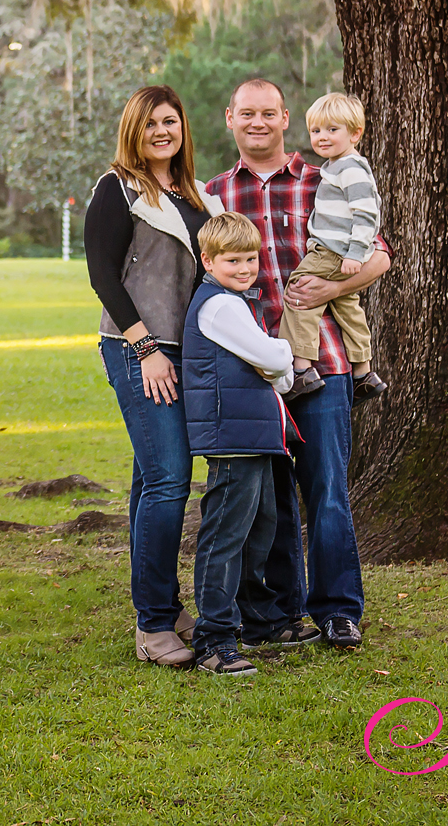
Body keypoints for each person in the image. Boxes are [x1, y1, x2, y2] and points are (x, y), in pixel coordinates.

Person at [206, 78, 391, 650]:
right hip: (247, 370)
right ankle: (277, 612)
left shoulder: (326, 176)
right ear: (230, 118)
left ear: (286, 118)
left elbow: (379, 254)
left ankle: (338, 610)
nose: (257, 122)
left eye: (269, 113)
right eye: (247, 113)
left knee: (327, 489)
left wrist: (323, 288)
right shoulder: (211, 196)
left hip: (323, 361)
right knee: (268, 497)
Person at [84, 85, 222, 668]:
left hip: (188, 352)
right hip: (139, 347)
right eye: (150, 124)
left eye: (171, 121)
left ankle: (163, 601)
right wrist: (146, 349)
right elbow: (102, 275)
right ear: (133, 132)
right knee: (170, 479)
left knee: (152, 479)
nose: (162, 132)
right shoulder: (117, 187)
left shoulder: (196, 195)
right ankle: (153, 626)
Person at [180, 212, 298, 675]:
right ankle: (214, 638)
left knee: (260, 526)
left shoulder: (234, 300)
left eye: (251, 258)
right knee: (226, 535)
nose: (246, 268)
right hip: (232, 436)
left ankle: (258, 619)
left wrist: (277, 366)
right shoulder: (220, 306)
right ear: (208, 260)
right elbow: (271, 356)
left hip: (254, 433)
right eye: (233, 261)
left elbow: (271, 367)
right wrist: (283, 358)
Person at [277, 92, 387, 402]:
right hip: (338, 250)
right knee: (347, 306)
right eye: (316, 131)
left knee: (299, 294)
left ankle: (301, 370)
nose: (322, 137)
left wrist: (355, 254)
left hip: (332, 251)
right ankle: (364, 371)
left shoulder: (350, 168)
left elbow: (367, 213)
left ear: (355, 134)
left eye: (332, 130)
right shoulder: (339, 165)